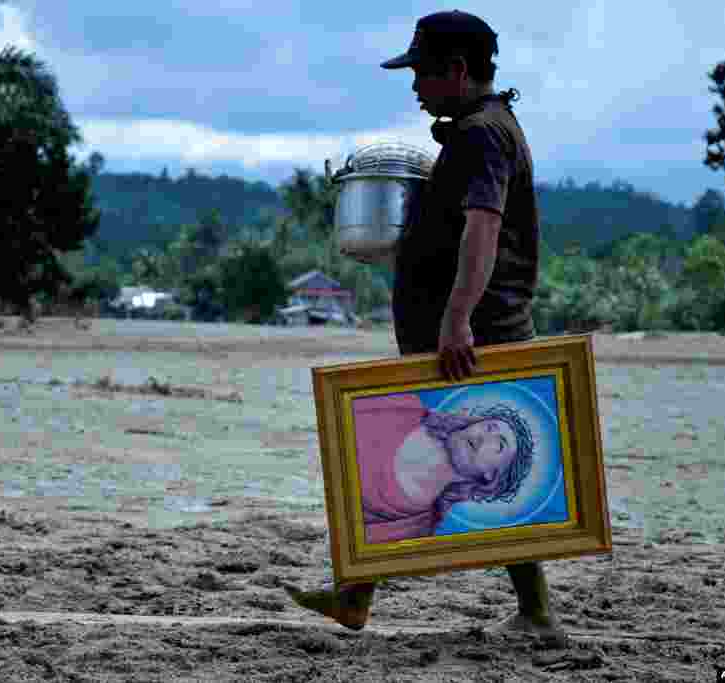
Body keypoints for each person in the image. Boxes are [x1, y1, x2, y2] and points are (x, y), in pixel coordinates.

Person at [286, 10, 563, 640]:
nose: (414, 88)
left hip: (476, 330)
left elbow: (484, 226)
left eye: (422, 74)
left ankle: (538, 613)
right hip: (459, 327)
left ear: (457, 71)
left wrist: (458, 318)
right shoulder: (477, 129)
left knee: (441, 449)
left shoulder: (483, 135)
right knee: (403, 447)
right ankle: (355, 595)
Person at [353, 392, 535, 543]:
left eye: (499, 445)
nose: (483, 438)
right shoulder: (401, 405)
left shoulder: (414, 526)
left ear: (490, 476)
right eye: (489, 427)